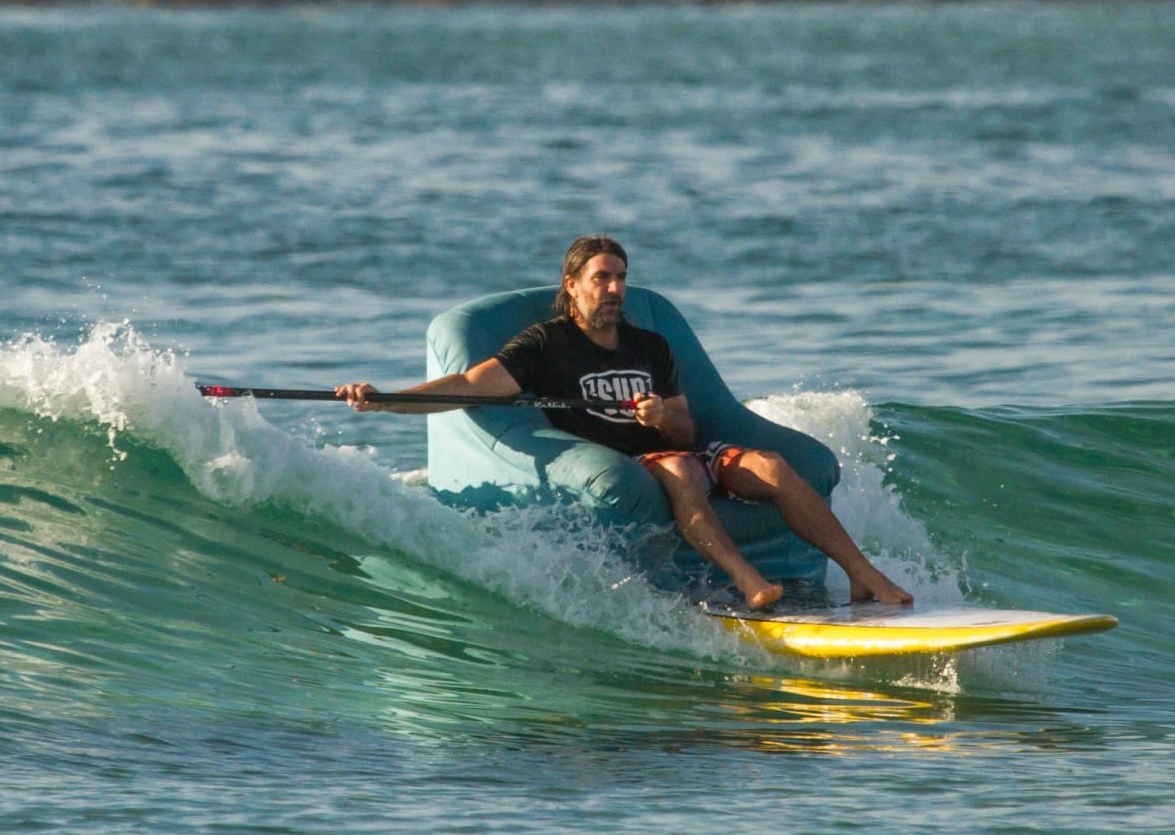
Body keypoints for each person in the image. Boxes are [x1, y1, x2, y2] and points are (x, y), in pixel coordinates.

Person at [335, 235, 913, 611]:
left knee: (773, 466)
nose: (614, 289)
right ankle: (748, 582)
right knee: (678, 471)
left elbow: (686, 431)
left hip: (680, 451)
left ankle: (863, 574)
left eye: (621, 278)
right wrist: (385, 400)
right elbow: (466, 386)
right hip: (637, 464)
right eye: (601, 278)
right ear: (572, 286)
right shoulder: (546, 345)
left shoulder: (649, 345)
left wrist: (664, 416)